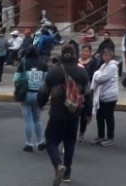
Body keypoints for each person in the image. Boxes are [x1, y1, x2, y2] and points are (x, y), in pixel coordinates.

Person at [38, 45, 90, 185]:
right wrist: (88, 113)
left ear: (62, 54)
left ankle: (57, 164)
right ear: (74, 54)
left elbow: (43, 92)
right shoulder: (82, 72)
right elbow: (88, 94)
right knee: (70, 143)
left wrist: (40, 104)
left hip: (57, 114)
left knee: (50, 141)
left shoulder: (53, 72)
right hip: (74, 114)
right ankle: (67, 174)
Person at [20, 45, 48, 152]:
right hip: (38, 95)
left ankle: (29, 144)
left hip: (26, 94)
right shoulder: (43, 63)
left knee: (28, 120)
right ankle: (40, 142)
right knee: (37, 119)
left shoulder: (23, 62)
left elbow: (16, 78)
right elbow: (46, 80)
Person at [91, 48, 119, 147]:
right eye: (103, 55)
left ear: (111, 56)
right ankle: (101, 136)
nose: (105, 57)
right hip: (102, 95)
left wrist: (97, 75)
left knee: (108, 117)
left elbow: (101, 78)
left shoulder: (113, 66)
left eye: (107, 55)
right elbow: (97, 75)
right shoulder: (103, 65)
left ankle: (110, 138)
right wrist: (97, 75)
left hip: (110, 95)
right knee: (99, 116)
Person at [77, 43, 98, 142]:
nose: (85, 53)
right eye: (83, 51)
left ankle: (81, 132)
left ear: (90, 53)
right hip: (75, 91)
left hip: (87, 91)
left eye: (87, 51)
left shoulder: (92, 63)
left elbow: (94, 76)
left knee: (84, 114)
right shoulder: (76, 61)